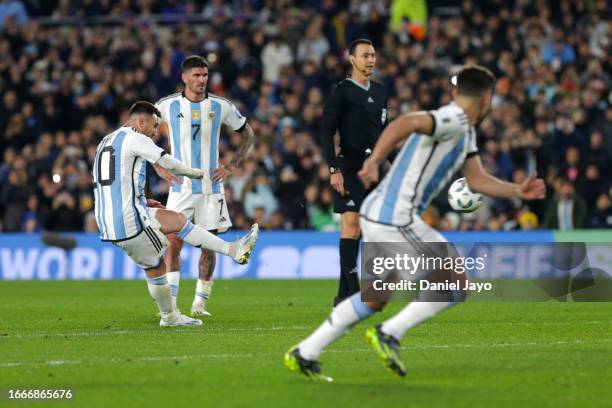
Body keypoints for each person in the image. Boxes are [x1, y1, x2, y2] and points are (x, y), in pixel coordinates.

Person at [285, 65, 546, 381]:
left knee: (377, 295)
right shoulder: (455, 118)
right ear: (487, 98)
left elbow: (476, 179)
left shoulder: (465, 131)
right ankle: (390, 333)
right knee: (456, 283)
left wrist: (517, 190)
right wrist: (373, 160)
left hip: (383, 213)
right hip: (395, 217)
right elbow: (406, 122)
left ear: (455, 92)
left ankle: (305, 352)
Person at [93, 101, 259, 327]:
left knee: (178, 221)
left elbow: (110, 183)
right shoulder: (135, 137)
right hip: (127, 220)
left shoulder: (106, 141)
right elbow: (166, 160)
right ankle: (170, 317)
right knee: (156, 267)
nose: (155, 132)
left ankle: (234, 250)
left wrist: (141, 200)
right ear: (141, 121)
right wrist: (194, 173)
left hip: (110, 218)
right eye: (154, 126)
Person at [155, 56, 255, 317]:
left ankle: (199, 304)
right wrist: (158, 165)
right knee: (174, 243)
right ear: (184, 77)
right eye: (197, 75)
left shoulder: (220, 106)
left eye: (205, 75)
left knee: (209, 246)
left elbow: (248, 133)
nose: (202, 80)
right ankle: (172, 304)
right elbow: (141, 133)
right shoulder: (167, 105)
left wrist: (231, 165)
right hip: (180, 188)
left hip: (211, 189)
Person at [320, 38, 388, 306]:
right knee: (351, 225)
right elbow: (326, 132)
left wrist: (391, 166)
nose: (370, 60)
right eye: (365, 55)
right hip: (349, 164)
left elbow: (385, 134)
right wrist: (333, 169)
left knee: (365, 230)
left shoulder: (381, 92)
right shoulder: (341, 91)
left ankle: (343, 297)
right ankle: (355, 291)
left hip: (374, 167)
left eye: (373, 55)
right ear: (352, 59)